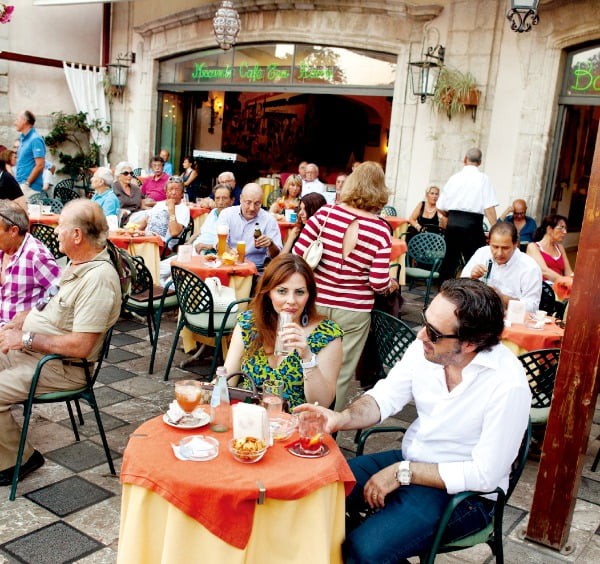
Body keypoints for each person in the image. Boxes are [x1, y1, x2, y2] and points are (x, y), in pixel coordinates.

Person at [295, 278, 531, 563]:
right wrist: (340, 418)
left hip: (467, 495)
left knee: (363, 551)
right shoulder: (426, 350)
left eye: (433, 332)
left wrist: (402, 472)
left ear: (470, 343)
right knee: (318, 490)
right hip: (413, 458)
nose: (420, 335)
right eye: (424, 322)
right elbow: (384, 397)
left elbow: (485, 475)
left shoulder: (507, 383)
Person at [0, 199, 122, 486]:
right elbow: (54, 304)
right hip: (36, 353)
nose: (55, 232)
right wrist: (25, 316)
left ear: (77, 235)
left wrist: (26, 337)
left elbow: (80, 346)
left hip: (61, 367)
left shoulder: (99, 279)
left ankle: (20, 460)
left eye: (60, 227)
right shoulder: (76, 263)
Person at [293, 161, 398, 411]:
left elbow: (297, 256)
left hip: (316, 301)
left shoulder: (325, 214)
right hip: (354, 310)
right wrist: (390, 284)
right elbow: (377, 281)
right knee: (340, 374)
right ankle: (326, 431)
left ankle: (295, 418)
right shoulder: (381, 230)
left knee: (304, 362)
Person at [225, 254, 342, 410]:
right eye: (282, 291)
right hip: (249, 420)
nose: (291, 300)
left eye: (299, 292)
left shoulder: (327, 334)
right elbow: (228, 380)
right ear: (268, 292)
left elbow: (321, 403)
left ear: (309, 295)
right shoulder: (249, 324)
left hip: (296, 425)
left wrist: (307, 356)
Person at [437, 148, 498, 281]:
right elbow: (489, 208)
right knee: (476, 260)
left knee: (449, 260)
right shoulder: (483, 179)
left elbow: (440, 206)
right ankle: (473, 295)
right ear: (480, 162)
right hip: (472, 225)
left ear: (465, 159)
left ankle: (443, 292)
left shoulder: (454, 178)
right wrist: (496, 228)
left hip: (453, 224)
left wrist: (449, 216)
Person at [158, 183, 234, 286]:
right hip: (193, 249)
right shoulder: (213, 212)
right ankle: (167, 295)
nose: (220, 202)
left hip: (206, 255)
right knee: (158, 270)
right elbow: (200, 231)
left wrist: (206, 246)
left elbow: (230, 246)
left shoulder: (233, 217)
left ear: (232, 200)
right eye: (217, 198)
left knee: (171, 281)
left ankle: (172, 297)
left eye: (224, 198)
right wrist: (188, 242)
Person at [0, 200, 60, 327]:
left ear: (13, 231)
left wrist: (31, 313)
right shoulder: (3, 249)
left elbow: (61, 295)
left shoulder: (36, 255)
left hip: (17, 334)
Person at [461, 222, 542, 312]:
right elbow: (460, 287)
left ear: (515, 244)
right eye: (495, 247)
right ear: (489, 242)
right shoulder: (482, 253)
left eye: (505, 248)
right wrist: (471, 278)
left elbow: (532, 308)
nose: (499, 253)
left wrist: (503, 298)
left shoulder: (529, 267)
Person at [217, 183, 282, 269]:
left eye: (257, 204)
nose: (252, 208)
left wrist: (271, 244)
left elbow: (276, 255)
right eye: (248, 203)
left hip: (256, 269)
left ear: (262, 202)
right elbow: (219, 244)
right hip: (229, 265)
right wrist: (229, 252)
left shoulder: (269, 220)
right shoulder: (227, 214)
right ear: (241, 199)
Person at [136, 177, 190, 248]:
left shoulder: (184, 209)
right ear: (166, 192)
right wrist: (134, 230)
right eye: (170, 189)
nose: (173, 193)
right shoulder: (159, 204)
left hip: (162, 245)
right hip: (146, 238)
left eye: (177, 190)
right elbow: (143, 223)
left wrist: (171, 209)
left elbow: (174, 233)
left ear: (182, 194)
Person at [526, 214, 574, 283]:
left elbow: (568, 271)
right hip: (542, 287)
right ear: (549, 229)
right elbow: (544, 271)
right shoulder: (533, 247)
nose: (565, 232)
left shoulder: (560, 248)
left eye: (565, 228)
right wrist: (565, 282)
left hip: (559, 286)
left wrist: (574, 280)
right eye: (561, 227)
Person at [14, 110, 46, 198]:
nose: (14, 123)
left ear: (24, 121)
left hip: (30, 188)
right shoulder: (22, 139)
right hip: (21, 185)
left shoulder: (35, 139)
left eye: (17, 120)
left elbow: (40, 165)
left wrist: (27, 184)